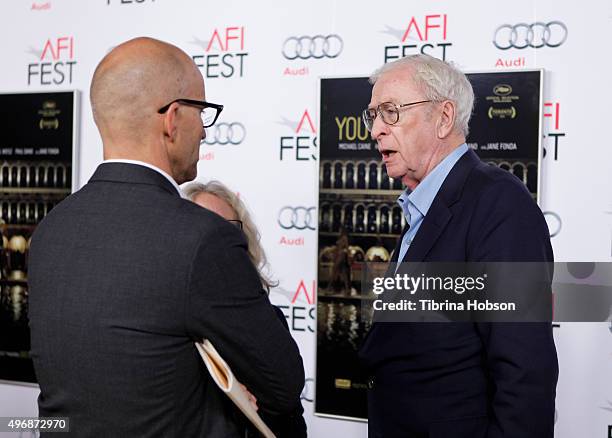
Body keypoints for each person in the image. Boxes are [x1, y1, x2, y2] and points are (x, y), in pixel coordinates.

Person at [27, 37, 304, 437]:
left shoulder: (52, 230)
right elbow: (282, 382)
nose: (205, 133)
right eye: (202, 112)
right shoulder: (202, 239)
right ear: (172, 119)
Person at [358, 54, 558, 437]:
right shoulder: (423, 209)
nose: (376, 130)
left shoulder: (499, 204)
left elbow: (524, 371)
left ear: (444, 118)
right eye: (374, 115)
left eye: (390, 112)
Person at [184, 180, 307, 437]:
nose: (215, 240)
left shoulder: (267, 317)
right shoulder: (172, 323)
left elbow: (291, 414)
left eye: (227, 229)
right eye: (204, 227)